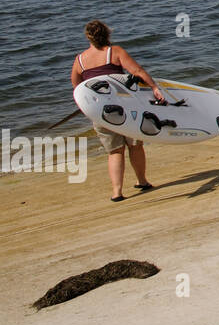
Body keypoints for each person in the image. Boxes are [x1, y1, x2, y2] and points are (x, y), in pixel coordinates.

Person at [70, 20, 165, 201]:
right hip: (127, 108)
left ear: (88, 37)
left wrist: (87, 108)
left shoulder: (80, 61)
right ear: (107, 34)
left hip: (100, 113)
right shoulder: (115, 52)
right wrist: (154, 87)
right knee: (135, 145)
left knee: (115, 151)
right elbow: (137, 71)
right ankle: (142, 181)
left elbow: (77, 88)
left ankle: (117, 192)